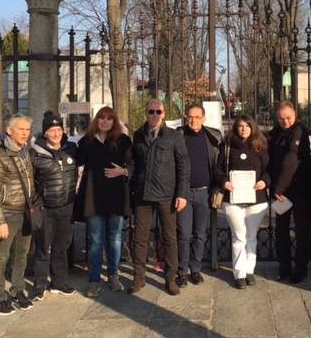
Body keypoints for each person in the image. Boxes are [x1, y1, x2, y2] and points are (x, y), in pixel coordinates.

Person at [130, 99, 190, 295]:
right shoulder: (138, 135)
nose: (154, 115)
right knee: (139, 237)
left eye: (158, 112)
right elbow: (135, 164)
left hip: (166, 194)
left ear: (164, 114)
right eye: (151, 111)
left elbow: (183, 166)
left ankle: (170, 278)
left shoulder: (173, 136)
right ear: (146, 113)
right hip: (143, 194)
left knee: (169, 237)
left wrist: (181, 194)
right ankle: (138, 277)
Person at [76, 106, 133, 298]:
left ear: (114, 121)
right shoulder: (87, 141)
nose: (105, 121)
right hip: (94, 197)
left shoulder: (123, 141)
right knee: (96, 240)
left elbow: (133, 165)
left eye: (109, 118)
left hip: (116, 197)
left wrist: (123, 171)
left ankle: (113, 275)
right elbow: (76, 160)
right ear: (96, 120)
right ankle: (94, 280)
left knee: (115, 238)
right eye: (102, 118)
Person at [0, 114, 35, 315]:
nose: (25, 133)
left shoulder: (25, 152)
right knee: (1, 256)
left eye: (27, 130)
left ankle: (17, 290)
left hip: (25, 211)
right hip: (7, 213)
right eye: (21, 129)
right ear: (9, 130)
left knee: (21, 254)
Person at [217, 115, 270, 289]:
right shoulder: (227, 145)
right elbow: (218, 169)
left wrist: (264, 181)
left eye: (247, 126)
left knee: (251, 236)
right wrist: (224, 182)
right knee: (239, 236)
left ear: (252, 127)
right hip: (233, 199)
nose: (244, 129)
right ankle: (239, 273)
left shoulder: (260, 146)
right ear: (235, 128)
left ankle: (249, 271)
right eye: (240, 126)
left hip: (256, 199)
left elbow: (268, 170)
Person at [30, 111, 78, 300]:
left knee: (61, 246)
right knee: (43, 247)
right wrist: (36, 203)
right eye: (52, 130)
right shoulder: (36, 153)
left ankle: (59, 282)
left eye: (58, 129)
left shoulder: (72, 149)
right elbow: (30, 181)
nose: (56, 133)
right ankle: (40, 284)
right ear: (45, 133)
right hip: (46, 207)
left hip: (67, 206)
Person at [176, 104, 223, 287]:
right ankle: (182, 271)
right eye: (190, 117)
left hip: (204, 192)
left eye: (197, 117)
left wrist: (218, 188)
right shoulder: (179, 135)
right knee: (184, 234)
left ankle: (195, 270)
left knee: (200, 234)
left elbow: (219, 164)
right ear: (186, 118)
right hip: (184, 193)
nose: (193, 120)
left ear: (203, 118)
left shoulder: (213, 137)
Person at [268, 101, 311, 284]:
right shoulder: (274, 134)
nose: (285, 121)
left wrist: (279, 187)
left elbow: (291, 160)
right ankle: (284, 266)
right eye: (281, 118)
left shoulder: (300, 131)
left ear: (295, 115)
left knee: (302, 230)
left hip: (298, 188)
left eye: (288, 118)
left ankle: (301, 268)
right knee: (281, 230)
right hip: (281, 192)